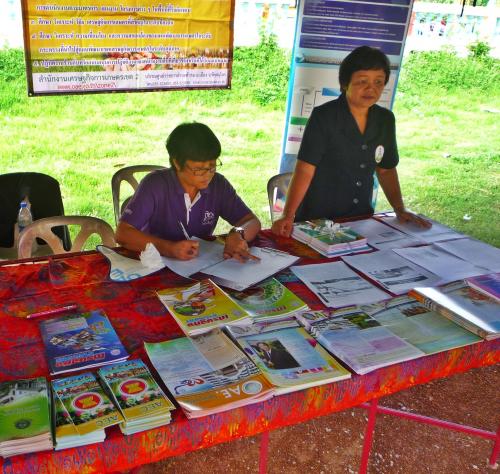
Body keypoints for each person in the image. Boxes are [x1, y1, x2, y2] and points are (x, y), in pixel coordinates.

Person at [272, 46, 430, 238]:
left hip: (361, 217)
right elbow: (305, 168)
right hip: (319, 217)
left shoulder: (385, 120)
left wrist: (399, 208)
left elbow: (386, 169)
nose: (371, 89)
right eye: (362, 81)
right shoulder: (324, 116)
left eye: (379, 82)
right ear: (345, 83)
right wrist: (288, 215)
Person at [116, 122, 261, 261]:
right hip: (156, 264)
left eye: (212, 166)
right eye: (198, 169)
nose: (207, 174)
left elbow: (251, 221)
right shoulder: (155, 185)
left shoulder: (218, 185)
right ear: (177, 163)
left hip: (198, 264)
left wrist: (238, 233)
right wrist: (169, 248)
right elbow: (123, 234)